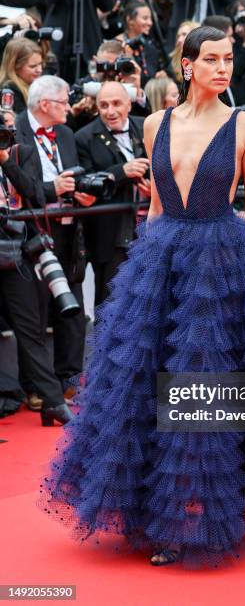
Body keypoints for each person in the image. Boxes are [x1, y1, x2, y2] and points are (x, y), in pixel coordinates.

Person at [39, 26, 245, 568]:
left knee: (208, 389)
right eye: (210, 59)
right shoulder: (155, 124)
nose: (222, 67)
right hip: (162, 262)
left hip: (222, 263)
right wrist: (143, 276)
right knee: (146, 389)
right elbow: (158, 209)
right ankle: (159, 516)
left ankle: (208, 514)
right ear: (187, 66)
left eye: (229, 59)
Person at [15, 75, 95, 396]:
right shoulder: (14, 132)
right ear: (45, 105)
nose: (69, 108)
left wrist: (82, 193)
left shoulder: (65, 133)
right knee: (34, 310)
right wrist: (53, 189)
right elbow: (19, 183)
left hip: (67, 228)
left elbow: (74, 176)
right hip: (31, 231)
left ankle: (70, 379)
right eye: (64, 102)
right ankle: (36, 387)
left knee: (72, 305)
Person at [0, 112, 74, 426]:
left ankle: (53, 402)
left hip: (15, 254)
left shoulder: (21, 152)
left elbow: (34, 192)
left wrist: (5, 160)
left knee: (31, 329)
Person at [75, 82, 150, 305]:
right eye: (104, 105)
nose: (110, 111)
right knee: (112, 303)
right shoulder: (83, 137)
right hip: (110, 234)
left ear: (129, 104)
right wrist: (120, 172)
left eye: (117, 104)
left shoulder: (147, 126)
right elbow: (84, 183)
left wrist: (155, 188)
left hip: (151, 227)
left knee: (149, 301)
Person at [0, 38, 43, 113]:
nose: (39, 70)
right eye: (33, 66)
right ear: (15, 67)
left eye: (40, 64)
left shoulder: (35, 85)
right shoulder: (9, 92)